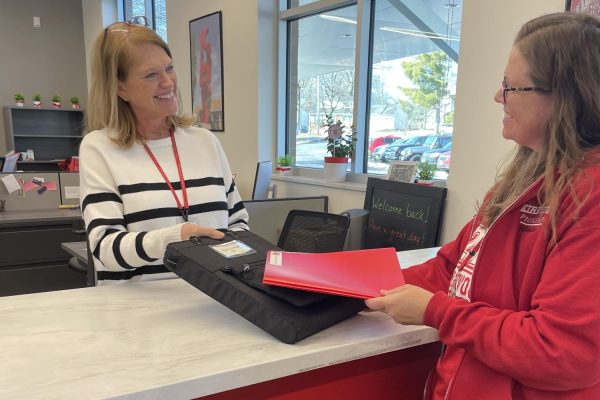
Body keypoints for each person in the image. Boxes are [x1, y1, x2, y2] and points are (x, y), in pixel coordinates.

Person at [366, 12, 600, 399]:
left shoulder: (588, 200)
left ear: (563, 96)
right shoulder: (521, 182)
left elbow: (563, 352)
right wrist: (355, 286)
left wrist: (436, 312)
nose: (497, 97)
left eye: (510, 87)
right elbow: (452, 267)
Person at [80, 17, 249, 284]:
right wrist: (176, 237)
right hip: (138, 314)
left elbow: (238, 220)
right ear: (120, 88)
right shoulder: (100, 148)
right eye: (151, 75)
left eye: (169, 68)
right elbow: (105, 248)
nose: (168, 82)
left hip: (216, 303)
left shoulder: (205, 141)